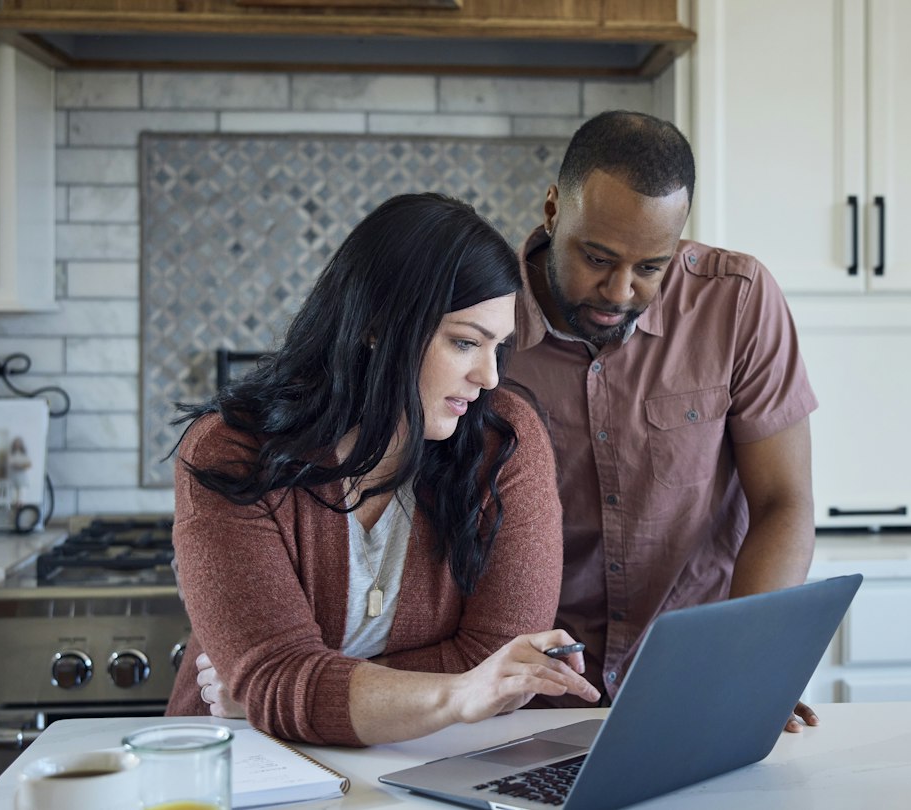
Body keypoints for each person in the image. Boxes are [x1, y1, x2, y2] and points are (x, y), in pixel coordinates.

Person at [167, 192, 598, 746]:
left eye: (499, 347)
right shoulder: (230, 453)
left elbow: (500, 664)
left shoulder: (504, 441)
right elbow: (279, 678)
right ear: (376, 323)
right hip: (243, 767)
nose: (490, 377)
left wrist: (294, 690)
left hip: (430, 763)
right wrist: (282, 686)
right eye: (465, 342)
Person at [509, 111, 820, 729]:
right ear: (552, 210)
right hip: (528, 697)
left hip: (694, 686)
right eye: (597, 258)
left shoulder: (738, 300)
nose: (620, 290)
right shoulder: (484, 319)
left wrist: (748, 664)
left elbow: (785, 502)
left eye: (651, 267)